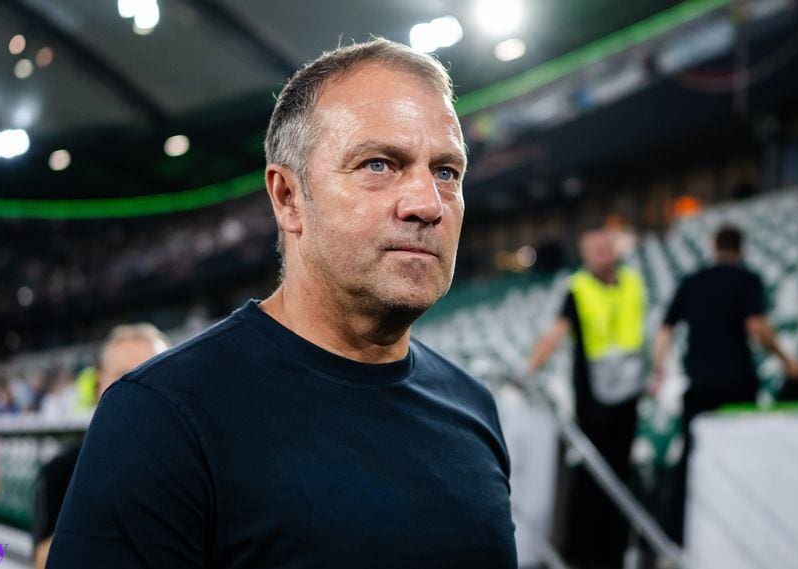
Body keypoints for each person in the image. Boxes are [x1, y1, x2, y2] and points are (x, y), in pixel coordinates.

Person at [47, 38, 517, 568]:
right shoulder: (161, 417)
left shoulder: (474, 408)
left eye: (447, 172)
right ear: (288, 198)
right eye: (380, 165)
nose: (427, 204)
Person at [651, 224, 798, 545]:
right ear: (741, 248)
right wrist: (787, 361)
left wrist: (659, 371)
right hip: (737, 384)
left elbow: (664, 331)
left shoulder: (692, 281)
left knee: (691, 458)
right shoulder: (747, 280)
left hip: (700, 384)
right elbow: (757, 326)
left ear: (713, 246)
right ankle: (737, 533)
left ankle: (676, 538)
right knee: (740, 457)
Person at [526, 227, 647, 569]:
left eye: (606, 247)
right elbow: (556, 333)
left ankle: (615, 553)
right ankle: (586, 554)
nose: (602, 254)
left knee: (620, 476)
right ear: (584, 254)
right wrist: (530, 369)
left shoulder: (633, 281)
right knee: (594, 477)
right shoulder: (578, 289)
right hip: (594, 400)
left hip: (629, 396)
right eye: (594, 249)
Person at [33, 323, 169, 569]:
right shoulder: (62, 469)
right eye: (123, 376)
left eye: (154, 372)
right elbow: (43, 560)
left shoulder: (205, 464)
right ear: (100, 385)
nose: (140, 387)